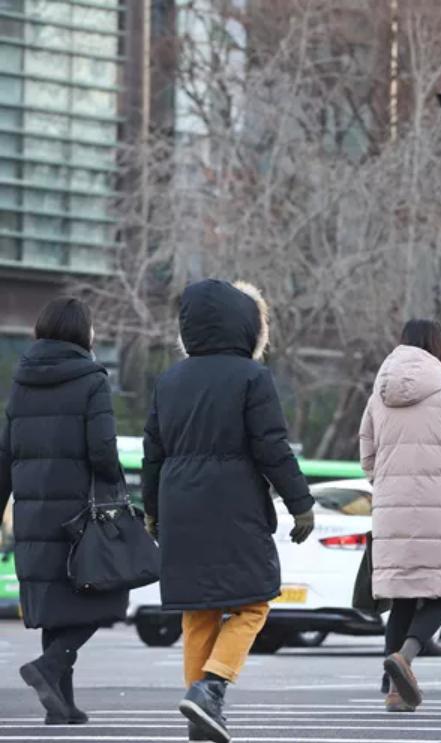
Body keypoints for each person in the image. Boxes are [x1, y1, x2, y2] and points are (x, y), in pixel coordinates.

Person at [143, 280, 316, 743]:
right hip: (233, 501)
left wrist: (152, 509)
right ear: (247, 325)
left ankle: (199, 713)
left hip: (179, 504)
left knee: (198, 610)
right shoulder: (251, 377)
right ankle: (213, 686)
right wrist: (300, 503)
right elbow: (272, 447)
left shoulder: (170, 379)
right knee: (255, 600)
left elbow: (152, 453)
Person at [0, 298, 127, 725]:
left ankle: (61, 705)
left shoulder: (21, 382)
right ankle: (49, 668)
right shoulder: (92, 380)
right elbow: (103, 451)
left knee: (56, 607)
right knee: (106, 598)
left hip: (33, 515)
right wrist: (115, 488)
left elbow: (5, 454)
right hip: (77, 515)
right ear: (81, 333)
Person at [360, 319, 441, 712]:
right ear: (437, 346)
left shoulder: (378, 393)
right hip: (437, 505)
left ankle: (395, 693)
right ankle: (404, 658)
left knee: (403, 600)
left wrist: (388, 483)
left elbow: (367, 455)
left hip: (390, 508)